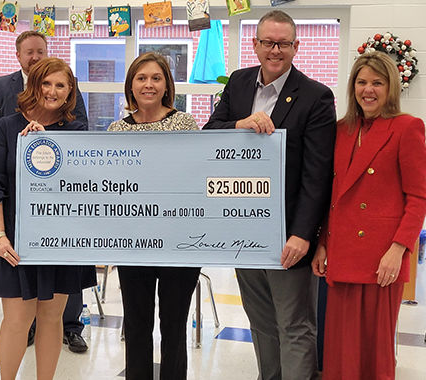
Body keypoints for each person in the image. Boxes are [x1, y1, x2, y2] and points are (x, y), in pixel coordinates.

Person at [203, 10, 336, 380]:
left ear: (296, 47)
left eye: (283, 44)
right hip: (243, 229)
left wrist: (302, 234)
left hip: (287, 233)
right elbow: (209, 134)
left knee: (294, 326)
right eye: (268, 43)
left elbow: (317, 175)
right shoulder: (240, 84)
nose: (275, 50)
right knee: (260, 322)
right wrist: (238, 125)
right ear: (255, 44)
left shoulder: (316, 97)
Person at [0, 57, 96, 380]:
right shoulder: (6, 127)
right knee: (17, 318)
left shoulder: (75, 131)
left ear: (70, 90)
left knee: (51, 318)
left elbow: (81, 185)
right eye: (46, 83)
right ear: (34, 85)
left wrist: (47, 144)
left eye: (61, 85)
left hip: (60, 238)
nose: (53, 91)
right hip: (15, 239)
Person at [312, 51, 426, 380]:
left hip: (383, 259)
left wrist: (399, 249)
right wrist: (322, 244)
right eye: (361, 82)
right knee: (339, 349)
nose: (368, 89)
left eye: (378, 82)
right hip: (342, 253)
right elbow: (333, 196)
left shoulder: (407, 127)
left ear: (391, 87)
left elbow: (418, 197)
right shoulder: (342, 130)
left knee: (374, 350)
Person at [108, 52, 201, 380]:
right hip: (133, 241)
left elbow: (194, 177)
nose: (148, 84)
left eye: (156, 78)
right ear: (130, 86)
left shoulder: (185, 123)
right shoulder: (116, 130)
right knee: (136, 325)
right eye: (141, 78)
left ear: (167, 86)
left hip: (180, 242)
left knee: (174, 327)